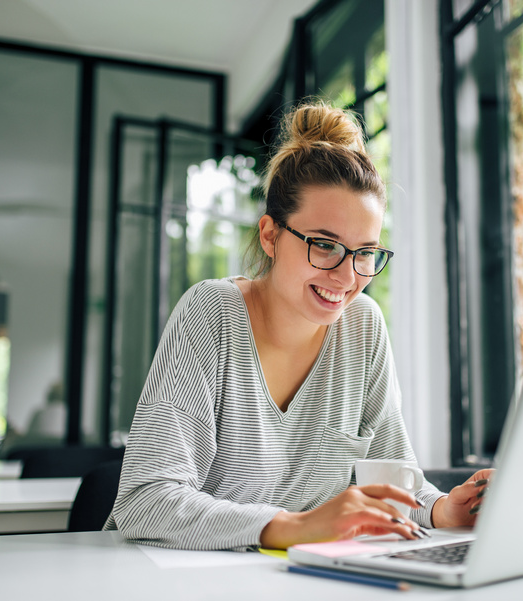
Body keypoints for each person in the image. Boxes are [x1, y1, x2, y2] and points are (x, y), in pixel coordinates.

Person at [104, 102, 492, 550]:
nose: (347, 278)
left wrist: (444, 510)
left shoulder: (362, 328)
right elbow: (145, 498)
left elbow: (393, 485)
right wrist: (294, 527)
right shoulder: (212, 313)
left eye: (365, 252)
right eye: (325, 245)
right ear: (270, 235)